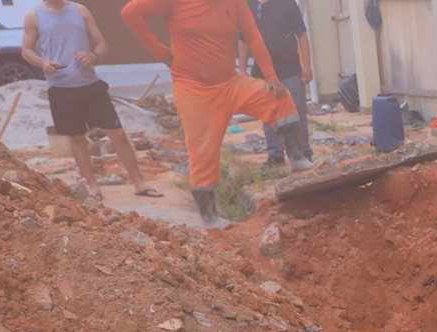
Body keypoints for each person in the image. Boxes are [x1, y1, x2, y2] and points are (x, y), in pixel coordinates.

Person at [121, 0, 314, 228]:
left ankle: (298, 158)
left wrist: (271, 76)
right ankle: (209, 215)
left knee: (278, 97)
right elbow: (130, 13)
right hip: (193, 89)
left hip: (230, 83)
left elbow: (253, 36)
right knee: (203, 150)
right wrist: (161, 53)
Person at [22, 0, 158, 201]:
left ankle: (139, 183)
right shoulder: (33, 16)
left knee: (118, 134)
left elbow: (102, 45)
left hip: (90, 84)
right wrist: (43, 62)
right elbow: (26, 50)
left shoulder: (80, 10)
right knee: (77, 138)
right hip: (60, 88)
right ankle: (93, 187)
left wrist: (92, 55)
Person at [238, 0, 310, 168]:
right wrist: (242, 69)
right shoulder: (247, 6)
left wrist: (306, 65)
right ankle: (275, 155)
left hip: (290, 69)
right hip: (261, 73)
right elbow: (243, 40)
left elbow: (302, 34)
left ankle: (303, 152)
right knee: (269, 115)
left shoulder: (287, 3)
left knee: (297, 113)